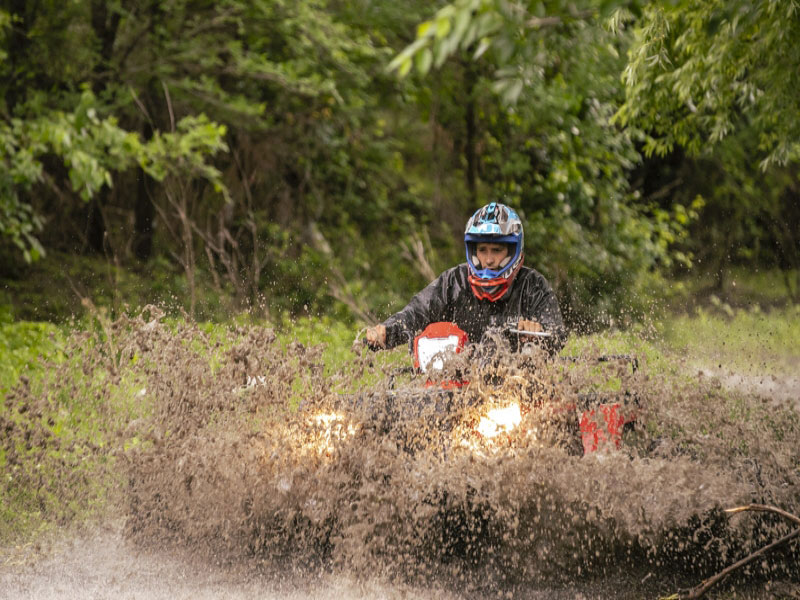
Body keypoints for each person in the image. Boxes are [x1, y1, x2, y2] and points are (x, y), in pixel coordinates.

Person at [365, 202, 566, 355]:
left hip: (518, 386)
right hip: (458, 384)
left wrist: (539, 333)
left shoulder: (533, 286)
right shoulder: (453, 282)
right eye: (482, 250)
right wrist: (386, 332)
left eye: (496, 250)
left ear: (513, 251)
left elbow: (557, 333)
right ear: (473, 251)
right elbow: (417, 312)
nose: (488, 260)